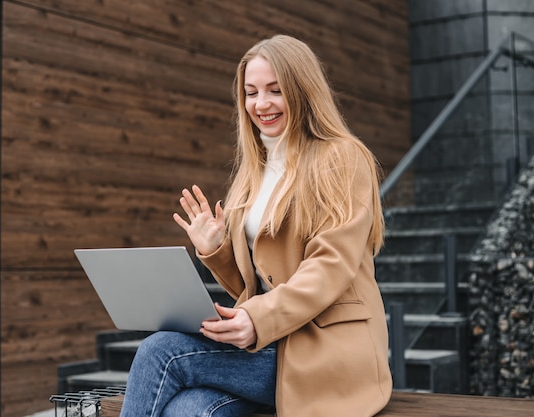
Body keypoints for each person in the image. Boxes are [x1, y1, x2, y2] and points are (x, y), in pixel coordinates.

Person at [119, 34, 392, 417]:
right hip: (271, 345)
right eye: (250, 92)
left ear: (303, 91)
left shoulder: (342, 158)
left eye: (275, 90)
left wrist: (256, 319)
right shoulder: (254, 170)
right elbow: (255, 287)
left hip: (323, 348)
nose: (261, 104)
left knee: (159, 350)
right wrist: (217, 251)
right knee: (191, 409)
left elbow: (331, 265)